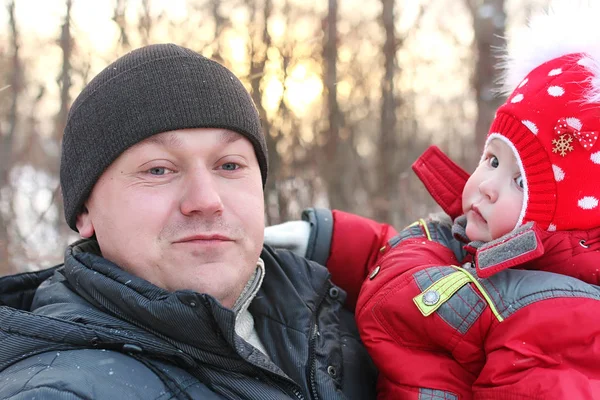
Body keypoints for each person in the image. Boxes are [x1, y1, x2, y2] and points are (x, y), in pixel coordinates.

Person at [0, 44, 377, 399]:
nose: (206, 201)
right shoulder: (58, 390)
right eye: (159, 169)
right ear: (84, 211)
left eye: (229, 165)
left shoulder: (354, 332)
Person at [265, 3, 600, 399]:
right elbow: (404, 260)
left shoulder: (558, 320)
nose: (488, 185)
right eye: (492, 159)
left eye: (521, 182)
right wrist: (326, 238)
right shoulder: (470, 244)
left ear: (566, 219)